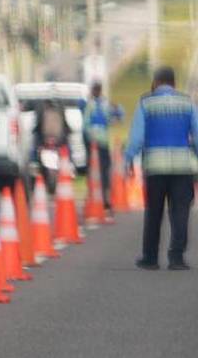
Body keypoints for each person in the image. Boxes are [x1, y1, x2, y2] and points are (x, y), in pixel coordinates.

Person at [123, 66, 198, 271]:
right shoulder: (187, 103)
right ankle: (176, 258)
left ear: (155, 82)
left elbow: (137, 138)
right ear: (174, 83)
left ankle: (150, 258)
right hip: (183, 168)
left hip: (155, 168)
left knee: (154, 212)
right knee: (180, 213)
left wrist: (128, 159)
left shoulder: (146, 103)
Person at [83, 79, 123, 213]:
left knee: (101, 172)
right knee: (98, 172)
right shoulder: (94, 104)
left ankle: (103, 199)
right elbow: (86, 125)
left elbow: (118, 116)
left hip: (100, 143)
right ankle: (97, 199)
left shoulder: (99, 104)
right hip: (97, 143)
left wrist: (117, 110)